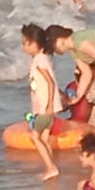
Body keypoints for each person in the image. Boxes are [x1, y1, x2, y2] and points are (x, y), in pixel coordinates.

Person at [22, 23, 64, 181]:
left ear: (34, 43)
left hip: (45, 108)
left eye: (25, 43)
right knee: (45, 138)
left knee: (35, 137)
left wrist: (49, 105)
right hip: (47, 107)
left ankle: (51, 167)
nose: (24, 47)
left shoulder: (39, 60)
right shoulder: (42, 58)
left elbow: (51, 83)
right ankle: (50, 167)